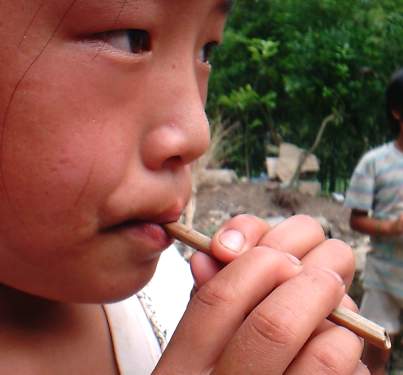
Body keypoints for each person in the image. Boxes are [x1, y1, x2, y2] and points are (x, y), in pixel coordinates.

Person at [0, 0, 367, 373]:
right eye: (129, 39)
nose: (197, 134)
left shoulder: (172, 290)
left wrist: (263, 344)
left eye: (206, 51)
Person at [345, 68, 403, 375]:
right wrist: (391, 228)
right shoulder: (376, 163)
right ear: (396, 111)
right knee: (374, 354)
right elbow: (357, 220)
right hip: (383, 275)